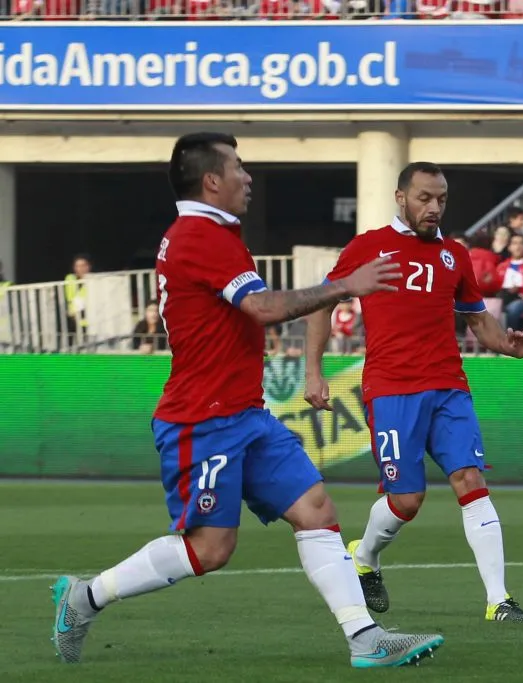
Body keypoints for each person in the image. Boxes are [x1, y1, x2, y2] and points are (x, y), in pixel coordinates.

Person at [49, 133, 443, 669]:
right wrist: (343, 286)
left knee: (317, 511)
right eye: (238, 167)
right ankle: (84, 597)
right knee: (211, 549)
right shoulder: (200, 236)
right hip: (202, 420)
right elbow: (261, 306)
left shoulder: (209, 233)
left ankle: (364, 637)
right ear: (212, 180)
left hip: (244, 413)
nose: (248, 176)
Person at [303, 161, 523, 624]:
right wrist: (314, 371)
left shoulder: (455, 254)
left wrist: (512, 347)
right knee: (407, 500)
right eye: (425, 198)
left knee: (470, 481)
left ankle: (498, 601)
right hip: (391, 390)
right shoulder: (369, 247)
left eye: (442, 199)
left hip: (449, 386)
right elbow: (321, 303)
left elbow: (480, 324)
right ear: (401, 197)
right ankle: (365, 555)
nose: (434, 208)